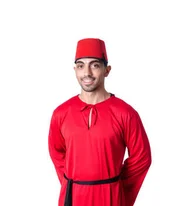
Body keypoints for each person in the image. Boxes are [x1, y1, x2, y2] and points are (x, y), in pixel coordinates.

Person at [48, 38, 152, 206]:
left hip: (109, 197)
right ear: (75, 70)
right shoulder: (61, 113)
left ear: (107, 70)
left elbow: (142, 158)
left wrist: (118, 189)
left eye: (95, 65)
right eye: (81, 66)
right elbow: (57, 153)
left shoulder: (125, 113)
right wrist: (72, 183)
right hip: (72, 198)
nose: (87, 73)